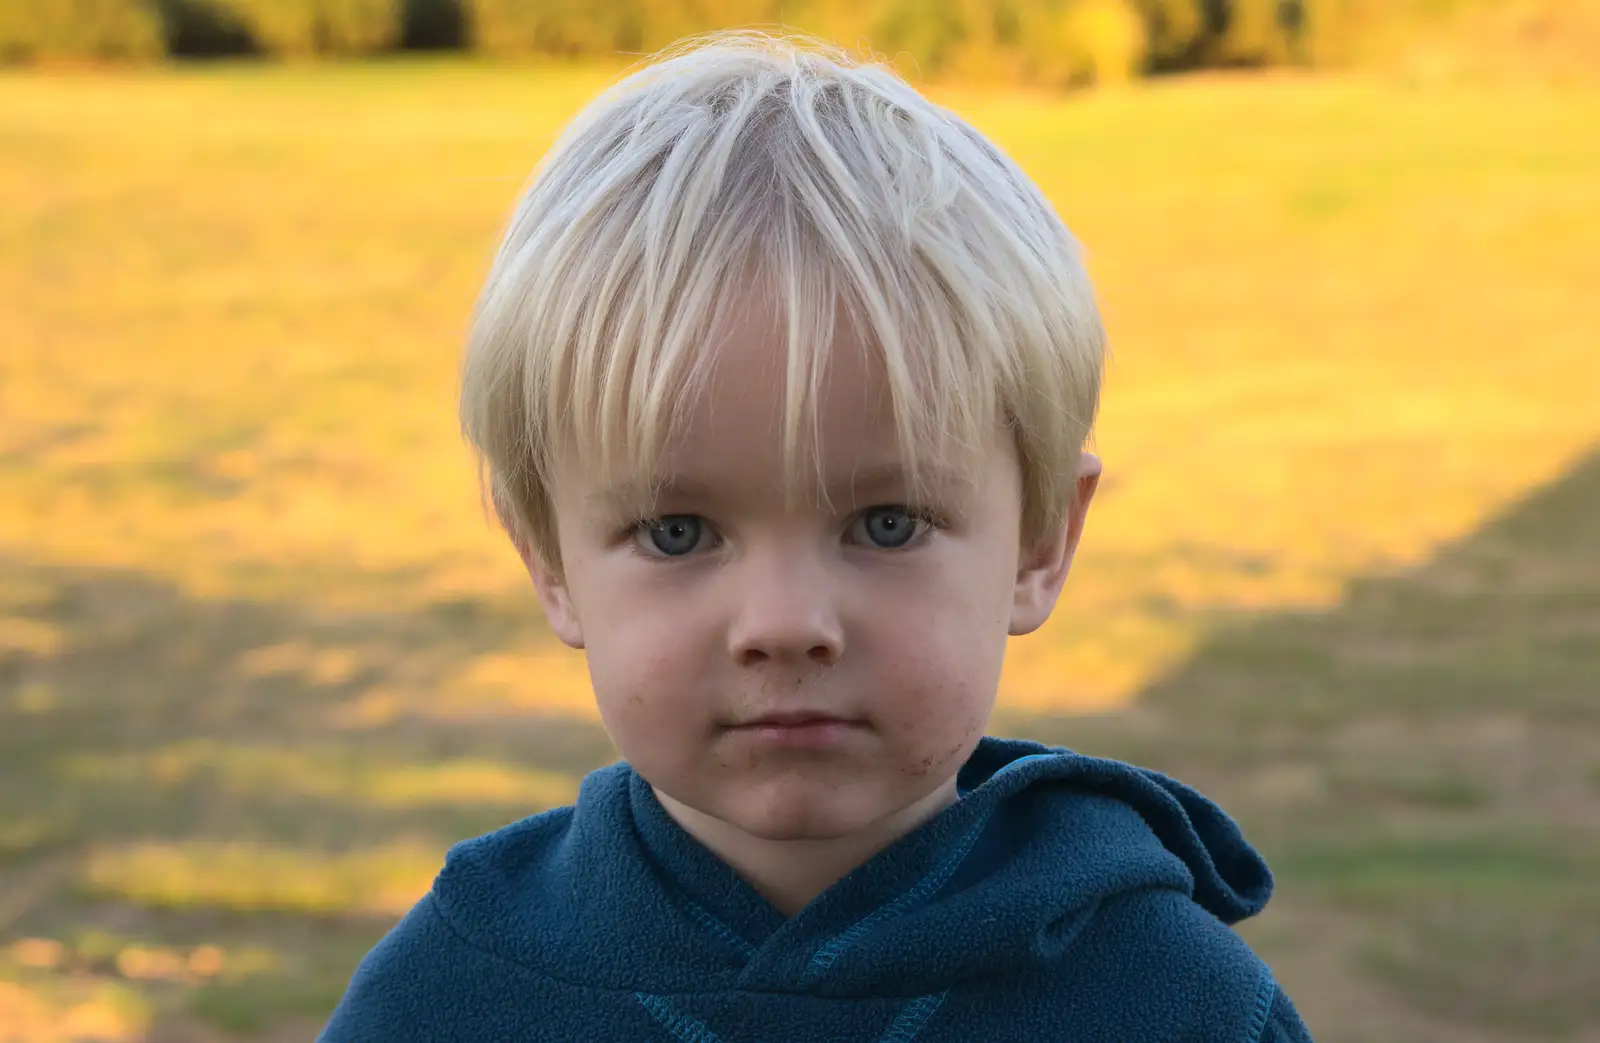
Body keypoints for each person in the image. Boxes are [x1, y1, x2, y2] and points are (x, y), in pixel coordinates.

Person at [319, 30, 1313, 1042]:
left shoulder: (1176, 1004)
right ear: (548, 556)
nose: (785, 624)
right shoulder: (445, 996)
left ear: (1039, 541)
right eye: (676, 531)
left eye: (886, 524)